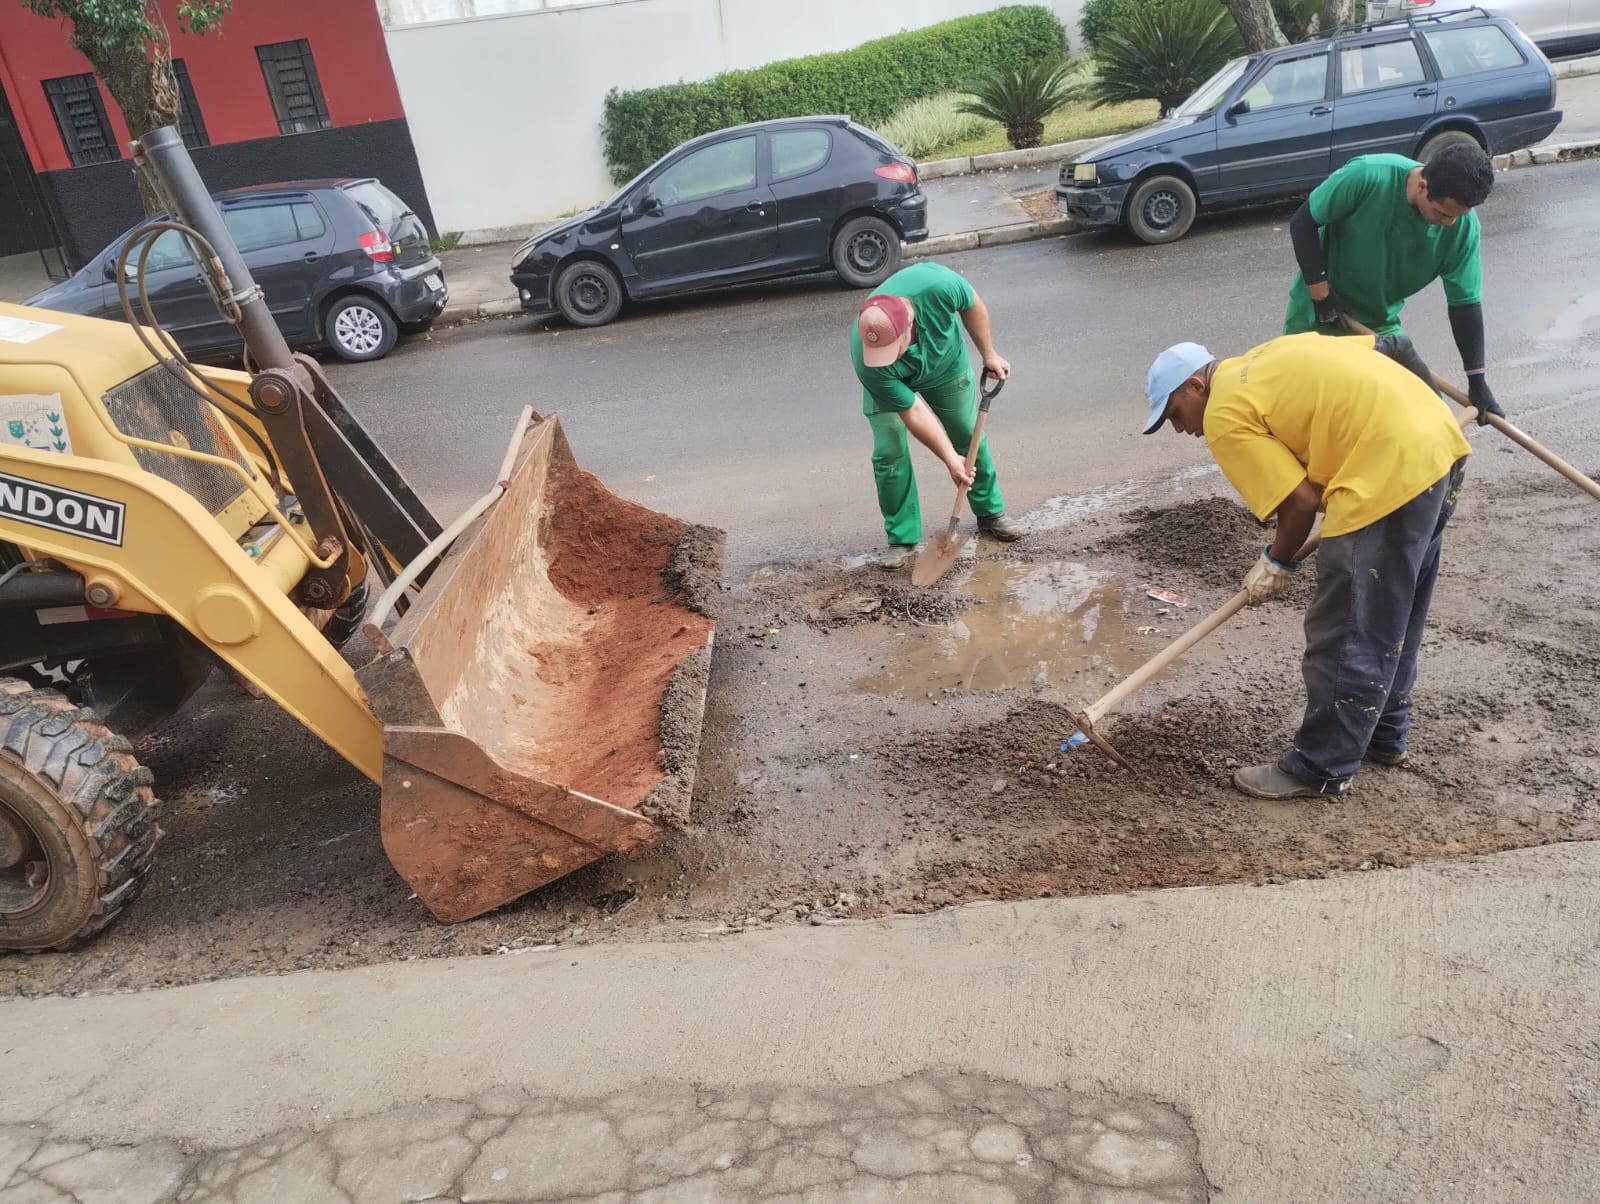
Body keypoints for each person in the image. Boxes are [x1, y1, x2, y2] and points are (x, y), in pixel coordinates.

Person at [1141, 332, 1470, 800]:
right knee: (1393, 613)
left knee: (1343, 629)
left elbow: (1299, 502)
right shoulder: (1272, 354)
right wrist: (1427, 412)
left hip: (1383, 477)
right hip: (1440, 452)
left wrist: (1276, 562)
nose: (1179, 428)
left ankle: (1321, 766)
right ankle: (1385, 736)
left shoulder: (1224, 414)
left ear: (1196, 386)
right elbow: (1395, 344)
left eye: (1173, 413)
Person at [1284, 144, 1504, 427]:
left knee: (1424, 419)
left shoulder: (1463, 228)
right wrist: (1321, 295)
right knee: (1312, 417)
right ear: (1423, 185)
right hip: (1315, 317)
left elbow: (1465, 304)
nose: (1449, 223)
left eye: (1458, 216)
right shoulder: (1368, 176)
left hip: (1379, 327)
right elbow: (1303, 223)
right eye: (1442, 213)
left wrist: (1477, 380)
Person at [851, 262, 1022, 568]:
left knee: (967, 434)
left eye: (894, 347)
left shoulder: (937, 285)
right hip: (891, 382)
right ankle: (902, 539)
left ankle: (990, 513)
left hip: (945, 366)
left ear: (910, 324)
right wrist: (948, 459)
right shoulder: (869, 358)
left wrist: (989, 353)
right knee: (889, 452)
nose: (885, 354)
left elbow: (972, 303)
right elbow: (913, 411)